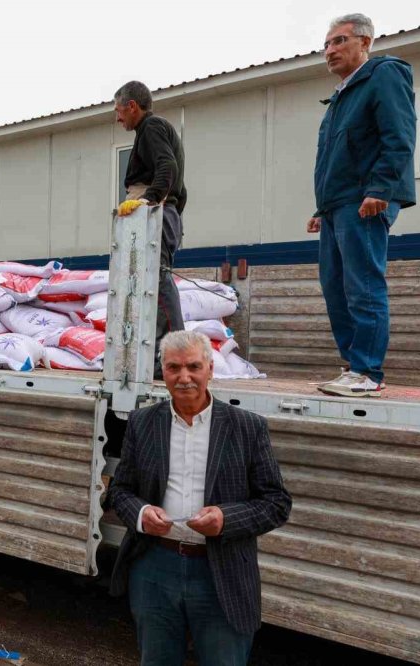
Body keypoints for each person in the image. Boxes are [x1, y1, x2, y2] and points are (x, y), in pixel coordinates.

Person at [109, 330, 291, 665]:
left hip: (220, 569)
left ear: (210, 369)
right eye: (173, 367)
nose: (184, 377)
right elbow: (120, 491)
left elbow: (276, 503)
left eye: (193, 366)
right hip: (155, 567)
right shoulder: (143, 423)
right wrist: (142, 513)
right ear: (162, 371)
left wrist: (225, 520)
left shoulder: (247, 428)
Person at [308, 13, 416, 398]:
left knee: (363, 285)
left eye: (340, 41)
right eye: (327, 44)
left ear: (365, 43)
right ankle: (354, 366)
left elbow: (399, 135)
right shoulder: (339, 96)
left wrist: (381, 189)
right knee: (334, 286)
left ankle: (368, 372)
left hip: (366, 200)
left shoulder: (384, 74)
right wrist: (322, 208)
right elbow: (335, 158)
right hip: (338, 204)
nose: (330, 51)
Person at [113, 81, 187, 379]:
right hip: (159, 212)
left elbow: (167, 167)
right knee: (148, 282)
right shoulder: (150, 131)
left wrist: (148, 200)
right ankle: (161, 357)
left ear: (131, 106)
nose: (118, 118)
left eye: (119, 111)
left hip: (155, 213)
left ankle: (174, 356)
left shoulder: (152, 127)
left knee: (157, 278)